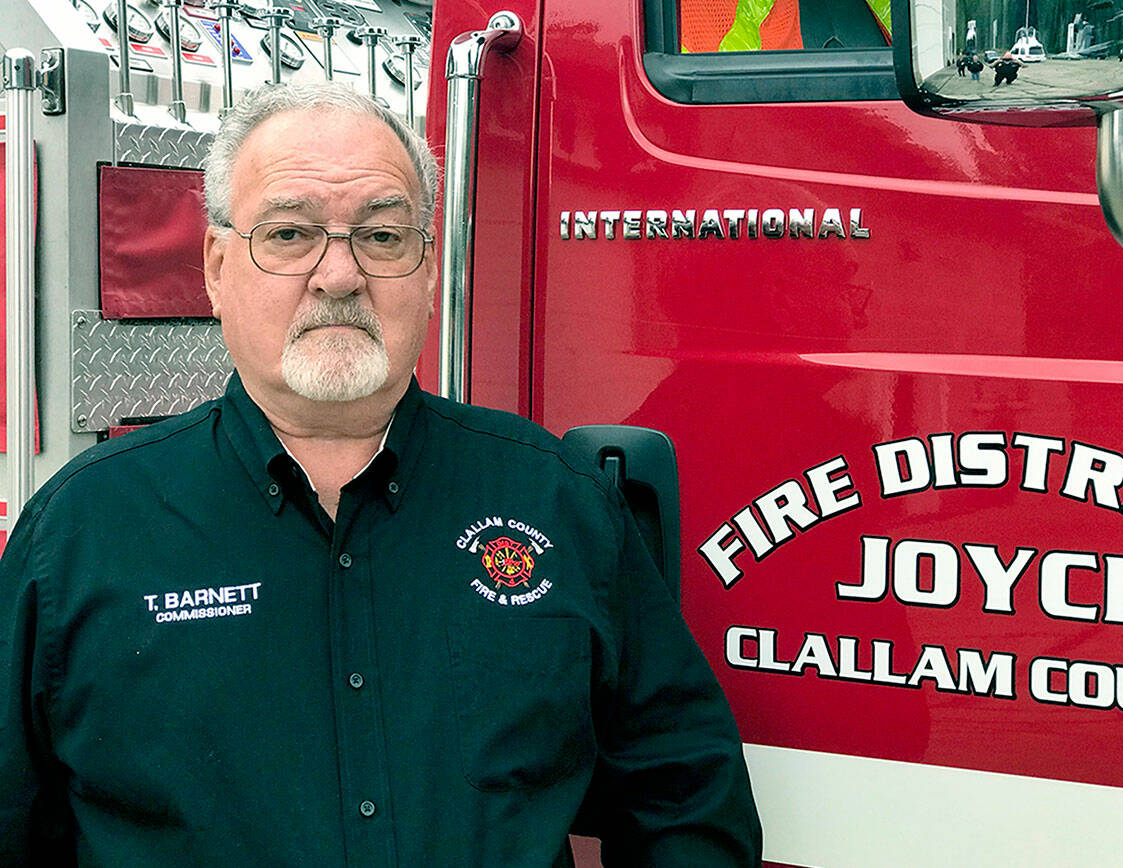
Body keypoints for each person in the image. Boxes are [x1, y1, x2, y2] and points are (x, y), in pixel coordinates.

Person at [0, 82, 762, 866]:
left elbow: (687, 796)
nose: (339, 275)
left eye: (384, 237)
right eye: (291, 235)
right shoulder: (81, 534)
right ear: (218, 269)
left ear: (428, 272)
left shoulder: (555, 502)